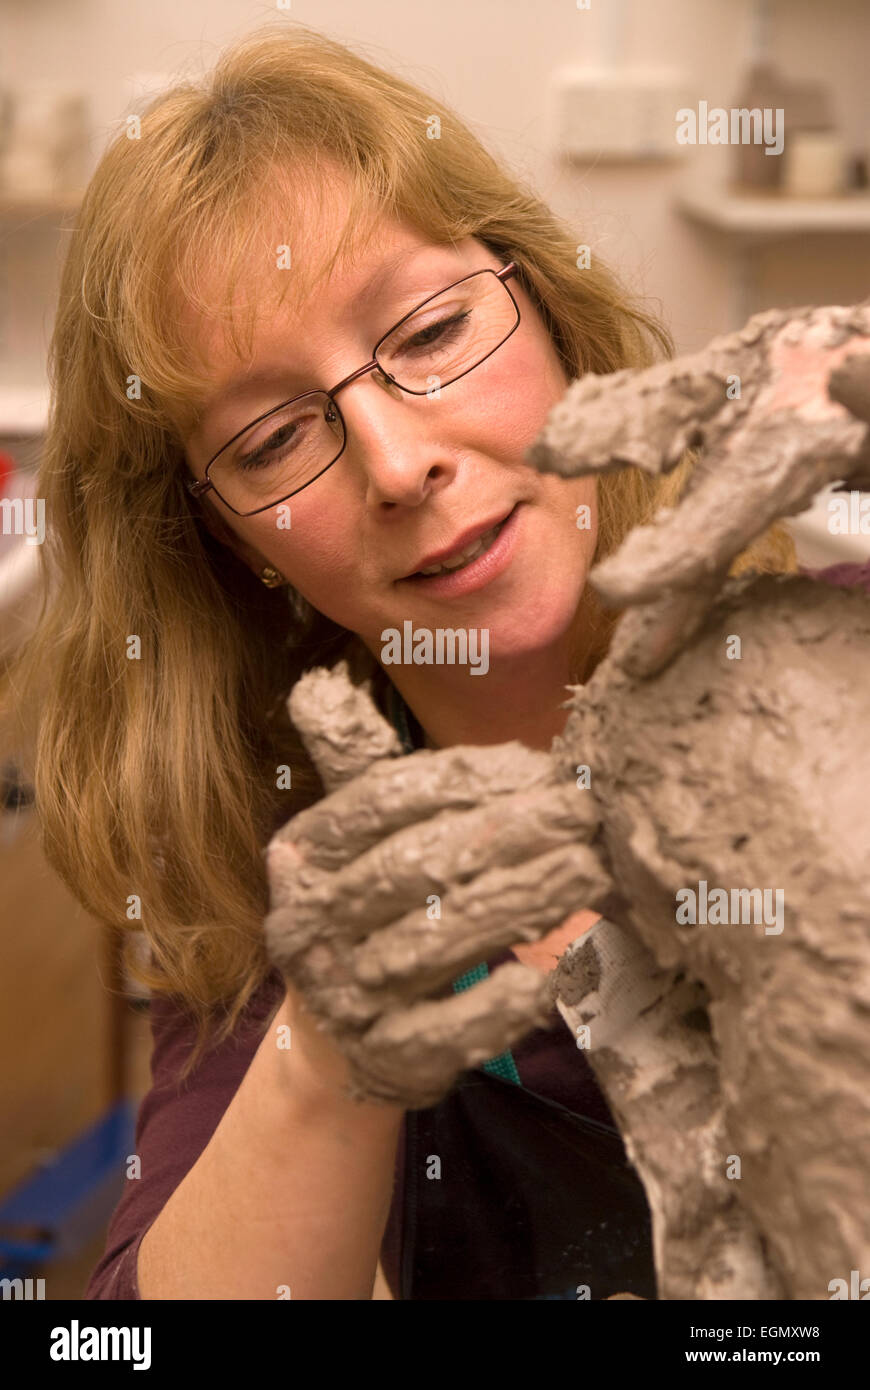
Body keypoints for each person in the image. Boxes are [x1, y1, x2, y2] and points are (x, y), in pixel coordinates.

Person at [7, 24, 813, 1300]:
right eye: (275, 440)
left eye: (432, 333)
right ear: (231, 539)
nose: (397, 462)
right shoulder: (274, 873)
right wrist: (328, 1061)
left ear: (542, 304)